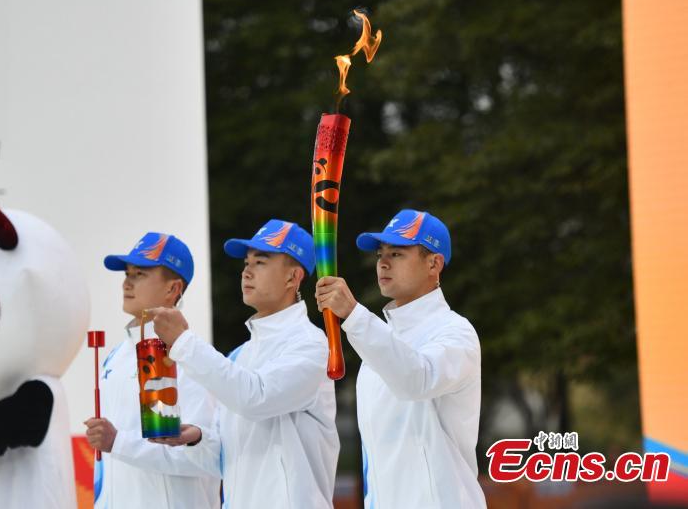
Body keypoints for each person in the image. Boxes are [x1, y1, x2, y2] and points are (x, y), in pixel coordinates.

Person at [148, 219, 340, 509]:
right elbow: (223, 461)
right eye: (246, 262)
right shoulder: (239, 356)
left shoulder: (311, 344)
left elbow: (256, 397)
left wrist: (185, 342)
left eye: (260, 262)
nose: (246, 271)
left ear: (293, 277)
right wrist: (197, 440)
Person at [315, 209, 486, 509]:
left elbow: (416, 378)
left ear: (434, 264)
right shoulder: (378, 346)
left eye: (397, 253)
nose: (382, 262)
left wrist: (354, 315)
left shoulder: (457, 333)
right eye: (381, 253)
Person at [84, 232, 219, 509]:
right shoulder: (115, 358)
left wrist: (118, 442)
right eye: (127, 273)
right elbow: (108, 464)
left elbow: (205, 458)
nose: (127, 282)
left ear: (173, 289)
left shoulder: (191, 359)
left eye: (140, 274)